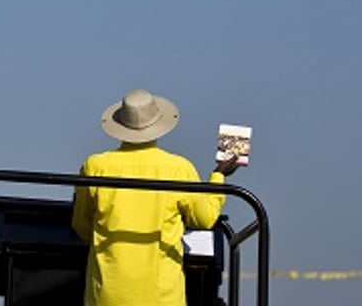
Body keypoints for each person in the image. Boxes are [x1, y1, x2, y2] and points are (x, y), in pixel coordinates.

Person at [71, 89, 240, 306]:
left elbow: (81, 225)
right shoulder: (179, 168)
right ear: (158, 127)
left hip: (106, 296)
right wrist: (219, 176)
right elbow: (205, 219)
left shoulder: (95, 166)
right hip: (162, 298)